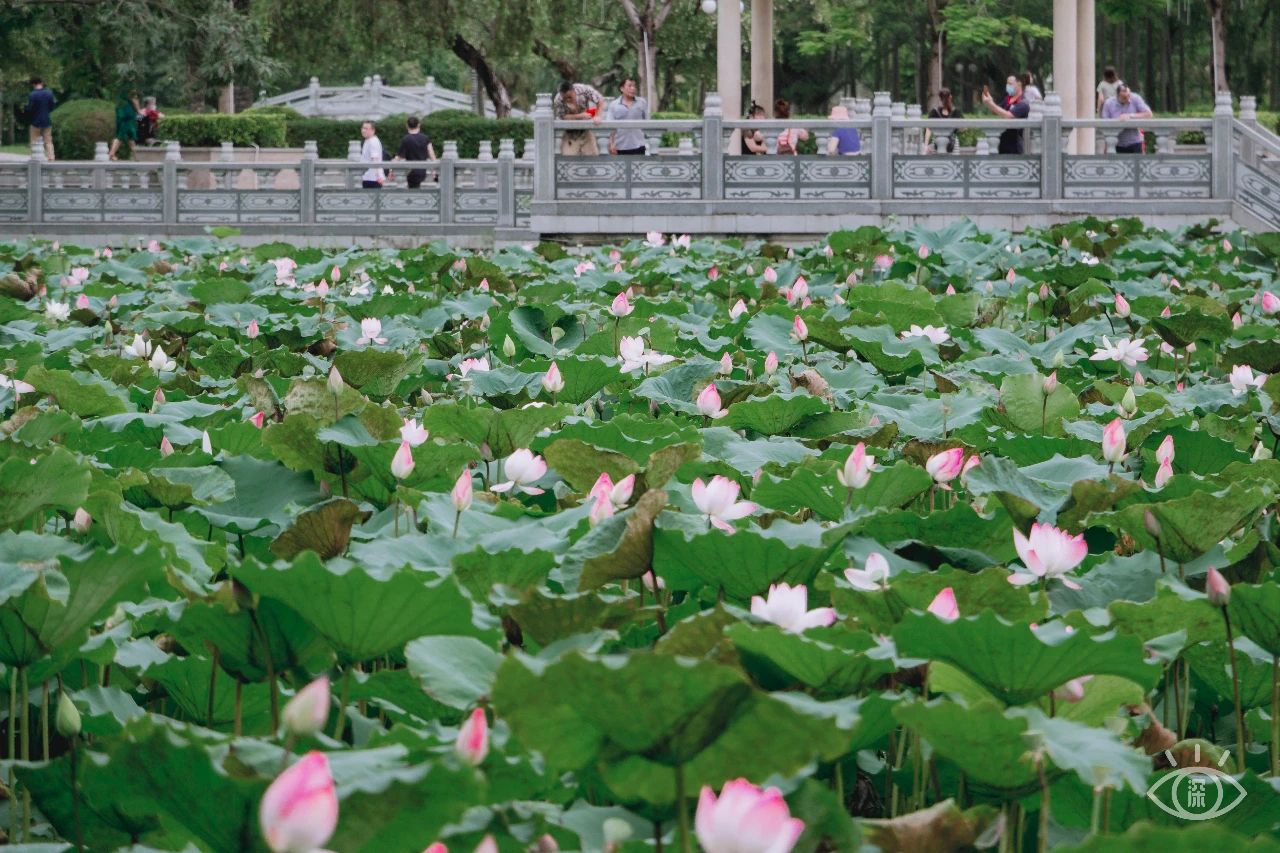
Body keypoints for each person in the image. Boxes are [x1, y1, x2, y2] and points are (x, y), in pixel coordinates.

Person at [980, 75, 1031, 154]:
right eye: (1007, 84)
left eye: (1010, 84)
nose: (1008, 86)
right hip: (1002, 142)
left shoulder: (1023, 103)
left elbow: (1009, 116)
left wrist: (991, 104)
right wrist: (989, 103)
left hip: (1014, 146)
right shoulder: (1008, 99)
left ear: (1019, 84)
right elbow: (996, 111)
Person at [554, 81, 604, 155]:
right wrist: (581, 115)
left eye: (569, 97)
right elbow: (563, 116)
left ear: (574, 91)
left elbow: (600, 100)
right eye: (565, 98)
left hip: (586, 130)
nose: (567, 99)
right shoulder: (558, 99)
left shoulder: (584, 89)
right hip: (570, 132)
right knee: (568, 159)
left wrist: (597, 116)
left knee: (592, 156)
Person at [1100, 84, 1153, 154]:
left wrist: (1130, 116)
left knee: (1137, 164)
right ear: (1117, 95)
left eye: (1128, 95)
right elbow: (1105, 124)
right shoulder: (1108, 103)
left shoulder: (1135, 98)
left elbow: (1149, 114)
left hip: (1135, 142)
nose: (1127, 99)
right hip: (1115, 143)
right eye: (1124, 97)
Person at [607, 77, 649, 155]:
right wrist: (611, 143)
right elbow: (610, 127)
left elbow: (647, 122)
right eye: (629, 86)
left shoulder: (642, 102)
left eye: (634, 86)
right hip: (620, 146)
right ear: (622, 88)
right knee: (620, 167)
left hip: (639, 145)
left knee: (638, 167)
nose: (633, 88)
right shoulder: (614, 105)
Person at [393, 115, 436, 188]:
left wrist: (391, 165)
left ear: (407, 126)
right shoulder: (425, 138)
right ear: (418, 125)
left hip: (411, 171)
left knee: (413, 189)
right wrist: (435, 167)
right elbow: (431, 153)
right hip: (422, 170)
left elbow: (399, 156)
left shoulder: (406, 139)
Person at [925, 88, 963, 154]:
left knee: (939, 163)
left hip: (938, 141)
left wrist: (926, 144)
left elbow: (928, 128)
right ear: (950, 97)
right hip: (951, 142)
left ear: (939, 98)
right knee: (954, 163)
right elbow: (963, 128)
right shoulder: (955, 112)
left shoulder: (935, 111)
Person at [26, 77, 55, 160]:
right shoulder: (49, 93)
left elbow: (30, 109)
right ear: (41, 83)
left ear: (33, 84)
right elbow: (52, 106)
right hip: (46, 120)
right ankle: (51, 158)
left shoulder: (32, 94)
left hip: (35, 121)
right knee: (48, 141)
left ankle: (35, 158)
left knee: (34, 141)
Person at [108, 90, 141, 161]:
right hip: (128, 112)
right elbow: (135, 100)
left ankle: (137, 156)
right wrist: (139, 111)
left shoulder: (122, 86)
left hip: (120, 110)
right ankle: (111, 154)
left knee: (127, 136)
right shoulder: (132, 88)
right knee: (124, 135)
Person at [359, 120, 385, 188]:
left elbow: (375, 159)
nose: (363, 130)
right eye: (363, 128)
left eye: (366, 129)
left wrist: (379, 176)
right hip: (368, 176)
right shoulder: (368, 140)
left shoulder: (373, 142)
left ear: (373, 130)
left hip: (373, 178)